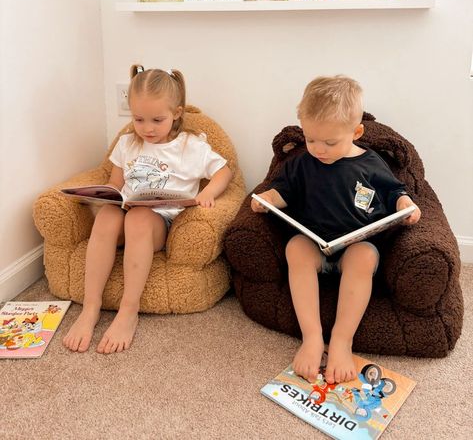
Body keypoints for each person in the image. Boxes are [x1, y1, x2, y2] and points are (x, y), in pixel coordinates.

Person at [251, 75, 421, 384]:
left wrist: (405, 206)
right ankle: (313, 337)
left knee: (365, 255)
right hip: (315, 244)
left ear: (356, 132)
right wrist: (266, 200)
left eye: (330, 142)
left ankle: (342, 341)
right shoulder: (301, 162)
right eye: (311, 139)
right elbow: (281, 191)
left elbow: (396, 192)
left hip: (353, 247)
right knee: (295, 248)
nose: (319, 149)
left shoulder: (371, 164)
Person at [63, 65, 233, 354]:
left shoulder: (190, 146)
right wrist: (106, 197)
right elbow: (115, 183)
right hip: (125, 213)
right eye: (138, 119)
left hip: (157, 224)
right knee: (107, 215)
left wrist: (207, 193)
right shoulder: (127, 143)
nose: (147, 128)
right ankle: (90, 308)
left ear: (177, 113)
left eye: (157, 119)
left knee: (140, 217)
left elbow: (225, 172)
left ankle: (129, 310)